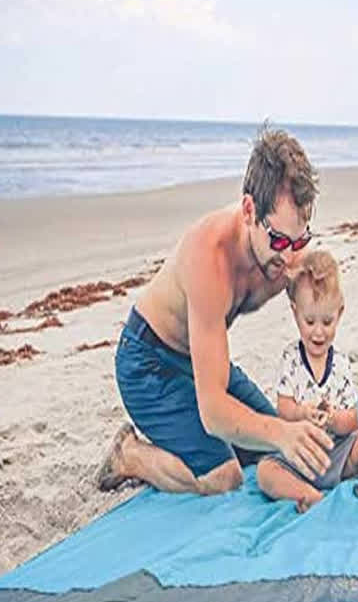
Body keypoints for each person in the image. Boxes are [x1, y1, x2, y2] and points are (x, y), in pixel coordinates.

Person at [95, 128, 335, 495]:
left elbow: (321, 312)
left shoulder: (286, 252)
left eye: (299, 240)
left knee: (275, 450)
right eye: (280, 241)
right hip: (147, 362)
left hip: (199, 356)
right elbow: (213, 413)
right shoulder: (209, 258)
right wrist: (281, 431)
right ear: (249, 210)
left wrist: (310, 399)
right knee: (224, 477)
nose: (289, 255)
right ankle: (129, 455)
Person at [257, 249, 358, 513]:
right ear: (295, 313)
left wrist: (332, 418)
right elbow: (282, 410)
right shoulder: (291, 359)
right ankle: (308, 495)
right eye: (309, 321)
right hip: (301, 457)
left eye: (327, 321)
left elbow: (352, 421)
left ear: (339, 314)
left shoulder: (340, 363)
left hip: (336, 454)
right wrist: (301, 413)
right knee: (265, 471)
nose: (318, 332)